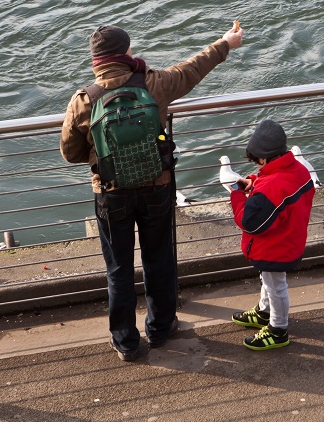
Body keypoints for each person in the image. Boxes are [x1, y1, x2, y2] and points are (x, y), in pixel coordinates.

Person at [61, 22, 244, 361]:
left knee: (118, 268)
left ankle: (126, 342)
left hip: (111, 193)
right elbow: (193, 68)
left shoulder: (84, 99)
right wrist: (225, 43)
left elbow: (70, 154)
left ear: (96, 59)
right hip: (156, 187)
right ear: (126, 53)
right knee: (158, 259)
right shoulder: (153, 82)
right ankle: (160, 328)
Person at [229, 119, 315, 350]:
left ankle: (278, 329)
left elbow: (249, 223)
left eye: (256, 162)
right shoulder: (298, 169)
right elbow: (274, 181)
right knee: (268, 280)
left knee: (276, 286)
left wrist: (237, 196)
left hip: (274, 247)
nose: (256, 166)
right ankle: (264, 312)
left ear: (265, 158)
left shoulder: (271, 189)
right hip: (289, 239)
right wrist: (254, 182)